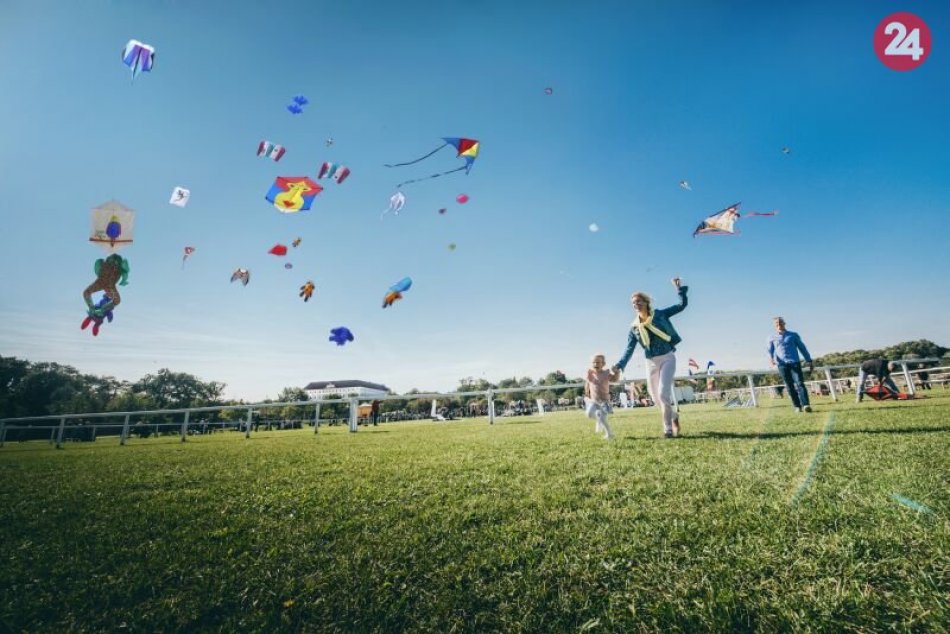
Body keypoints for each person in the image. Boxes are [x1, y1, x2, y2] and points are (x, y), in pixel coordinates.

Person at [612, 277, 688, 438]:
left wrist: (679, 289)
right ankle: (674, 416)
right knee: (655, 397)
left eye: (639, 301)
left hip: (667, 357)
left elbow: (681, 306)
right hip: (651, 362)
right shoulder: (634, 328)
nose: (636, 305)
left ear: (646, 302)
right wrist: (619, 365)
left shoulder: (660, 314)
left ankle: (668, 429)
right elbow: (629, 349)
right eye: (633, 303)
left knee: (663, 394)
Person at [767, 316, 814, 413]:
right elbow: (769, 351)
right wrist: (771, 360)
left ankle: (806, 405)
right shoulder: (771, 337)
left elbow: (802, 348)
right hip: (782, 365)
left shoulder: (793, 335)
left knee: (800, 383)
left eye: (780, 322)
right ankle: (797, 406)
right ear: (775, 325)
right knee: (789, 385)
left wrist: (808, 360)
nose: (779, 324)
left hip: (794, 362)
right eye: (777, 323)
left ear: (784, 323)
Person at [585, 354, 621, 440]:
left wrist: (617, 372)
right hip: (594, 400)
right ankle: (598, 420)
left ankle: (609, 434)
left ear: (603, 364)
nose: (595, 364)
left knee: (603, 418)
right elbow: (587, 383)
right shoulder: (590, 374)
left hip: (604, 401)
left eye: (598, 362)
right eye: (593, 362)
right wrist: (586, 393)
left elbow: (615, 379)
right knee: (589, 414)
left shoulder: (606, 373)